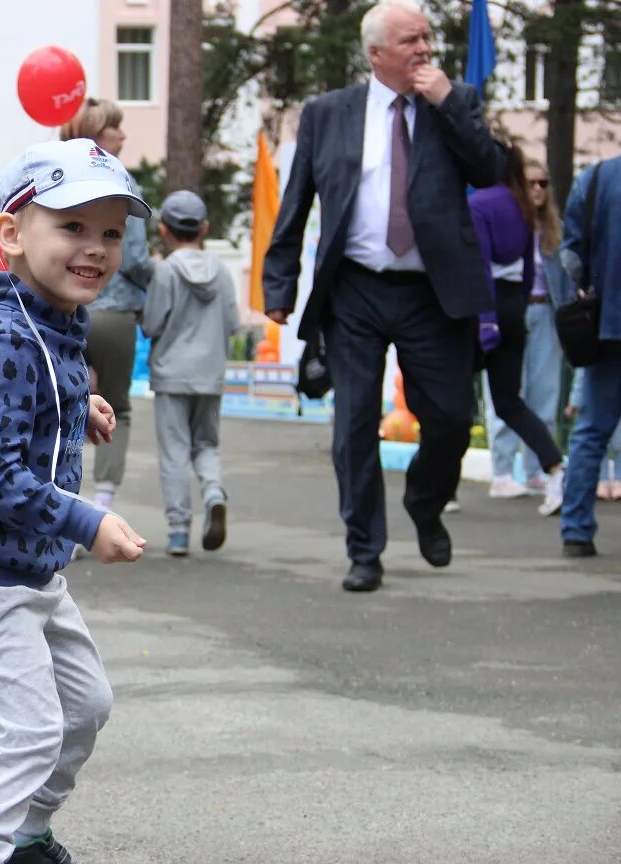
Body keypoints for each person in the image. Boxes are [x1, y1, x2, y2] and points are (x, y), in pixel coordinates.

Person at [0, 138, 148, 864]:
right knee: (26, 732)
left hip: (32, 570)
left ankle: (25, 833)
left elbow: (27, 397)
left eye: (110, 232)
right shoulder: (5, 340)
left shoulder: (52, 319)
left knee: (85, 709)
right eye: (73, 227)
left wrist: (72, 408)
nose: (96, 249)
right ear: (13, 233)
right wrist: (88, 521)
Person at [262, 0, 506, 593]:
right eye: (410, 41)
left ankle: (426, 502)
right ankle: (365, 548)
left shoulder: (457, 102)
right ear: (376, 54)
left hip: (433, 291)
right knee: (353, 425)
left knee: (450, 418)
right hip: (355, 290)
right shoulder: (328, 113)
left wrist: (448, 103)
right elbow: (296, 201)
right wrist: (280, 283)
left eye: (426, 38)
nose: (424, 49)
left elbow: (491, 171)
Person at [60, 97, 155, 512]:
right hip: (114, 313)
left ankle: (62, 499)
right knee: (117, 409)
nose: (123, 134)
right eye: (115, 128)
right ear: (99, 136)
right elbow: (133, 258)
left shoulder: (58, 176)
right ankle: (101, 502)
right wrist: (158, 280)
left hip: (65, 309)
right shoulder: (121, 183)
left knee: (66, 404)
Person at [469, 142, 566, 516]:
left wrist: (485, 318)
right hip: (517, 308)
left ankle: (443, 487)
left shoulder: (481, 205)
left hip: (487, 306)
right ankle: (555, 467)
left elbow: (480, 266)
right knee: (510, 401)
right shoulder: (523, 210)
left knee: (456, 398)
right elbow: (526, 270)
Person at [142, 190, 240, 557]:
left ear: (164, 230)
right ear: (205, 228)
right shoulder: (224, 271)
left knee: (174, 451)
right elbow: (232, 322)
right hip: (210, 373)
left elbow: (152, 324)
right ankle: (214, 491)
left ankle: (179, 529)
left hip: (171, 374)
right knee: (206, 444)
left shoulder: (165, 272)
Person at [559, 156, 621, 558]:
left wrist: (590, 288)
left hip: (608, 322)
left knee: (592, 428)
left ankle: (577, 530)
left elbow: (571, 254)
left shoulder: (595, 178)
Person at [566, 368, 621, 501]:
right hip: (595, 390)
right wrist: (576, 399)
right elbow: (582, 370)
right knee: (595, 437)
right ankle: (599, 479)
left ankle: (619, 478)